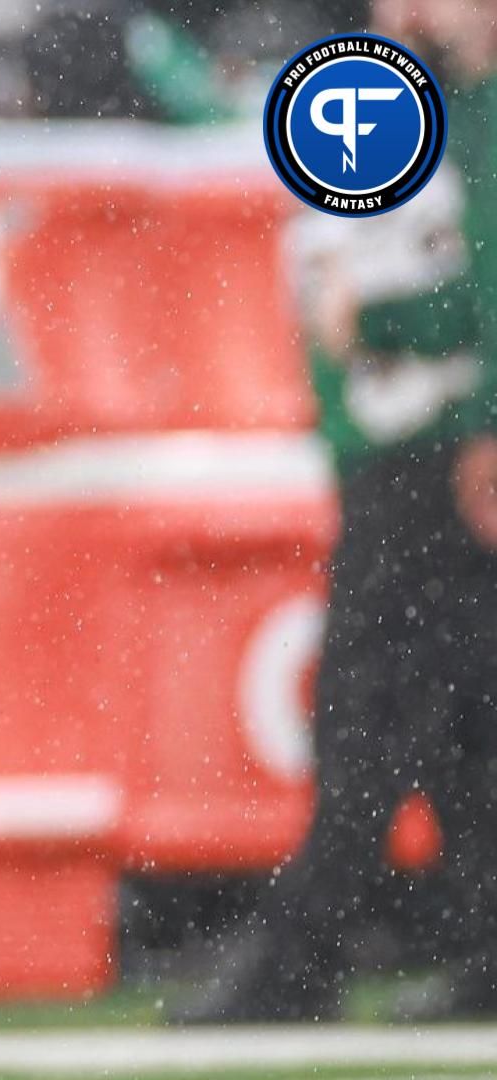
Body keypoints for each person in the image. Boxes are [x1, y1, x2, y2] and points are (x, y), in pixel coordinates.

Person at [170, 0, 497, 1024]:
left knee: (371, 712)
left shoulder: (456, 107)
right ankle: (478, 946)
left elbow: (469, 294)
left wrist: (390, 327)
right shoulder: (435, 102)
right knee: (453, 720)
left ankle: (304, 955)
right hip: (413, 446)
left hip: (437, 450)